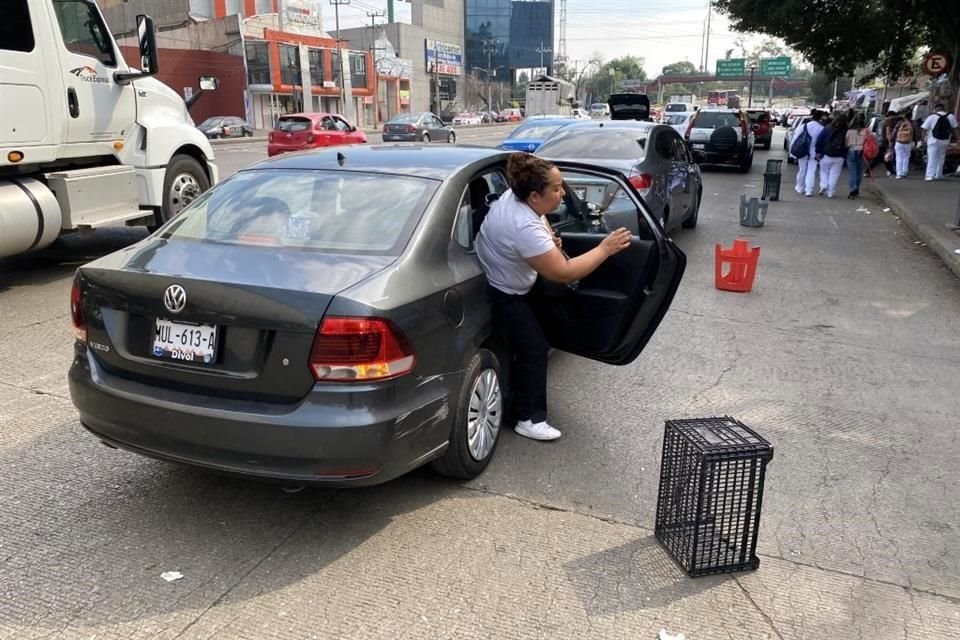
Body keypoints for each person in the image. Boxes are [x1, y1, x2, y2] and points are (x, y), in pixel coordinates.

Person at [475, 153, 632, 441]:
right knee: (534, 348)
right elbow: (565, 273)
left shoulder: (516, 196)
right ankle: (528, 418)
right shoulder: (524, 226)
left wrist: (549, 242)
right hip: (505, 291)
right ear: (535, 195)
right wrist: (605, 249)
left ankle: (516, 398)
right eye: (557, 189)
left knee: (538, 334)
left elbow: (541, 225)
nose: (563, 193)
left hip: (511, 277)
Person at [920, 103, 959, 181]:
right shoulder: (951, 116)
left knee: (931, 157)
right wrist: (958, 139)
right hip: (945, 140)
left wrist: (923, 139)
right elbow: (956, 128)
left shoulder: (931, 117)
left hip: (933, 140)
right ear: (943, 109)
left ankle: (930, 175)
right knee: (941, 157)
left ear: (936, 109)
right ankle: (938, 174)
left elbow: (924, 129)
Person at [815, 113, 848, 198]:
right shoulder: (846, 131)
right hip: (839, 156)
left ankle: (824, 185)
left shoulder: (827, 129)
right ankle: (830, 192)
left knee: (824, 171)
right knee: (834, 174)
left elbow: (819, 140)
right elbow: (847, 145)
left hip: (826, 154)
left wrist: (818, 151)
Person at [795, 110, 826, 197]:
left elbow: (796, 137)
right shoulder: (821, 128)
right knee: (811, 171)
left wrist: (792, 152)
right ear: (820, 118)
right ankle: (809, 190)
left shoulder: (804, 126)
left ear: (812, 117)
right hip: (814, 152)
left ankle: (800, 187)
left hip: (802, 151)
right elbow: (823, 141)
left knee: (802, 169)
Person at [845, 113, 869, 198]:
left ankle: (852, 189)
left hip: (851, 150)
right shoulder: (866, 131)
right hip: (862, 152)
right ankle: (857, 189)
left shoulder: (849, 131)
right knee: (859, 172)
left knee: (852, 172)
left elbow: (846, 143)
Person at [892, 109, 916, 179]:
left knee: (899, 157)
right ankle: (904, 172)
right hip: (908, 142)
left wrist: (892, 140)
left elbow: (894, 132)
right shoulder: (912, 124)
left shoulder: (899, 123)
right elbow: (914, 134)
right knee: (906, 157)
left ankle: (899, 174)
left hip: (899, 142)